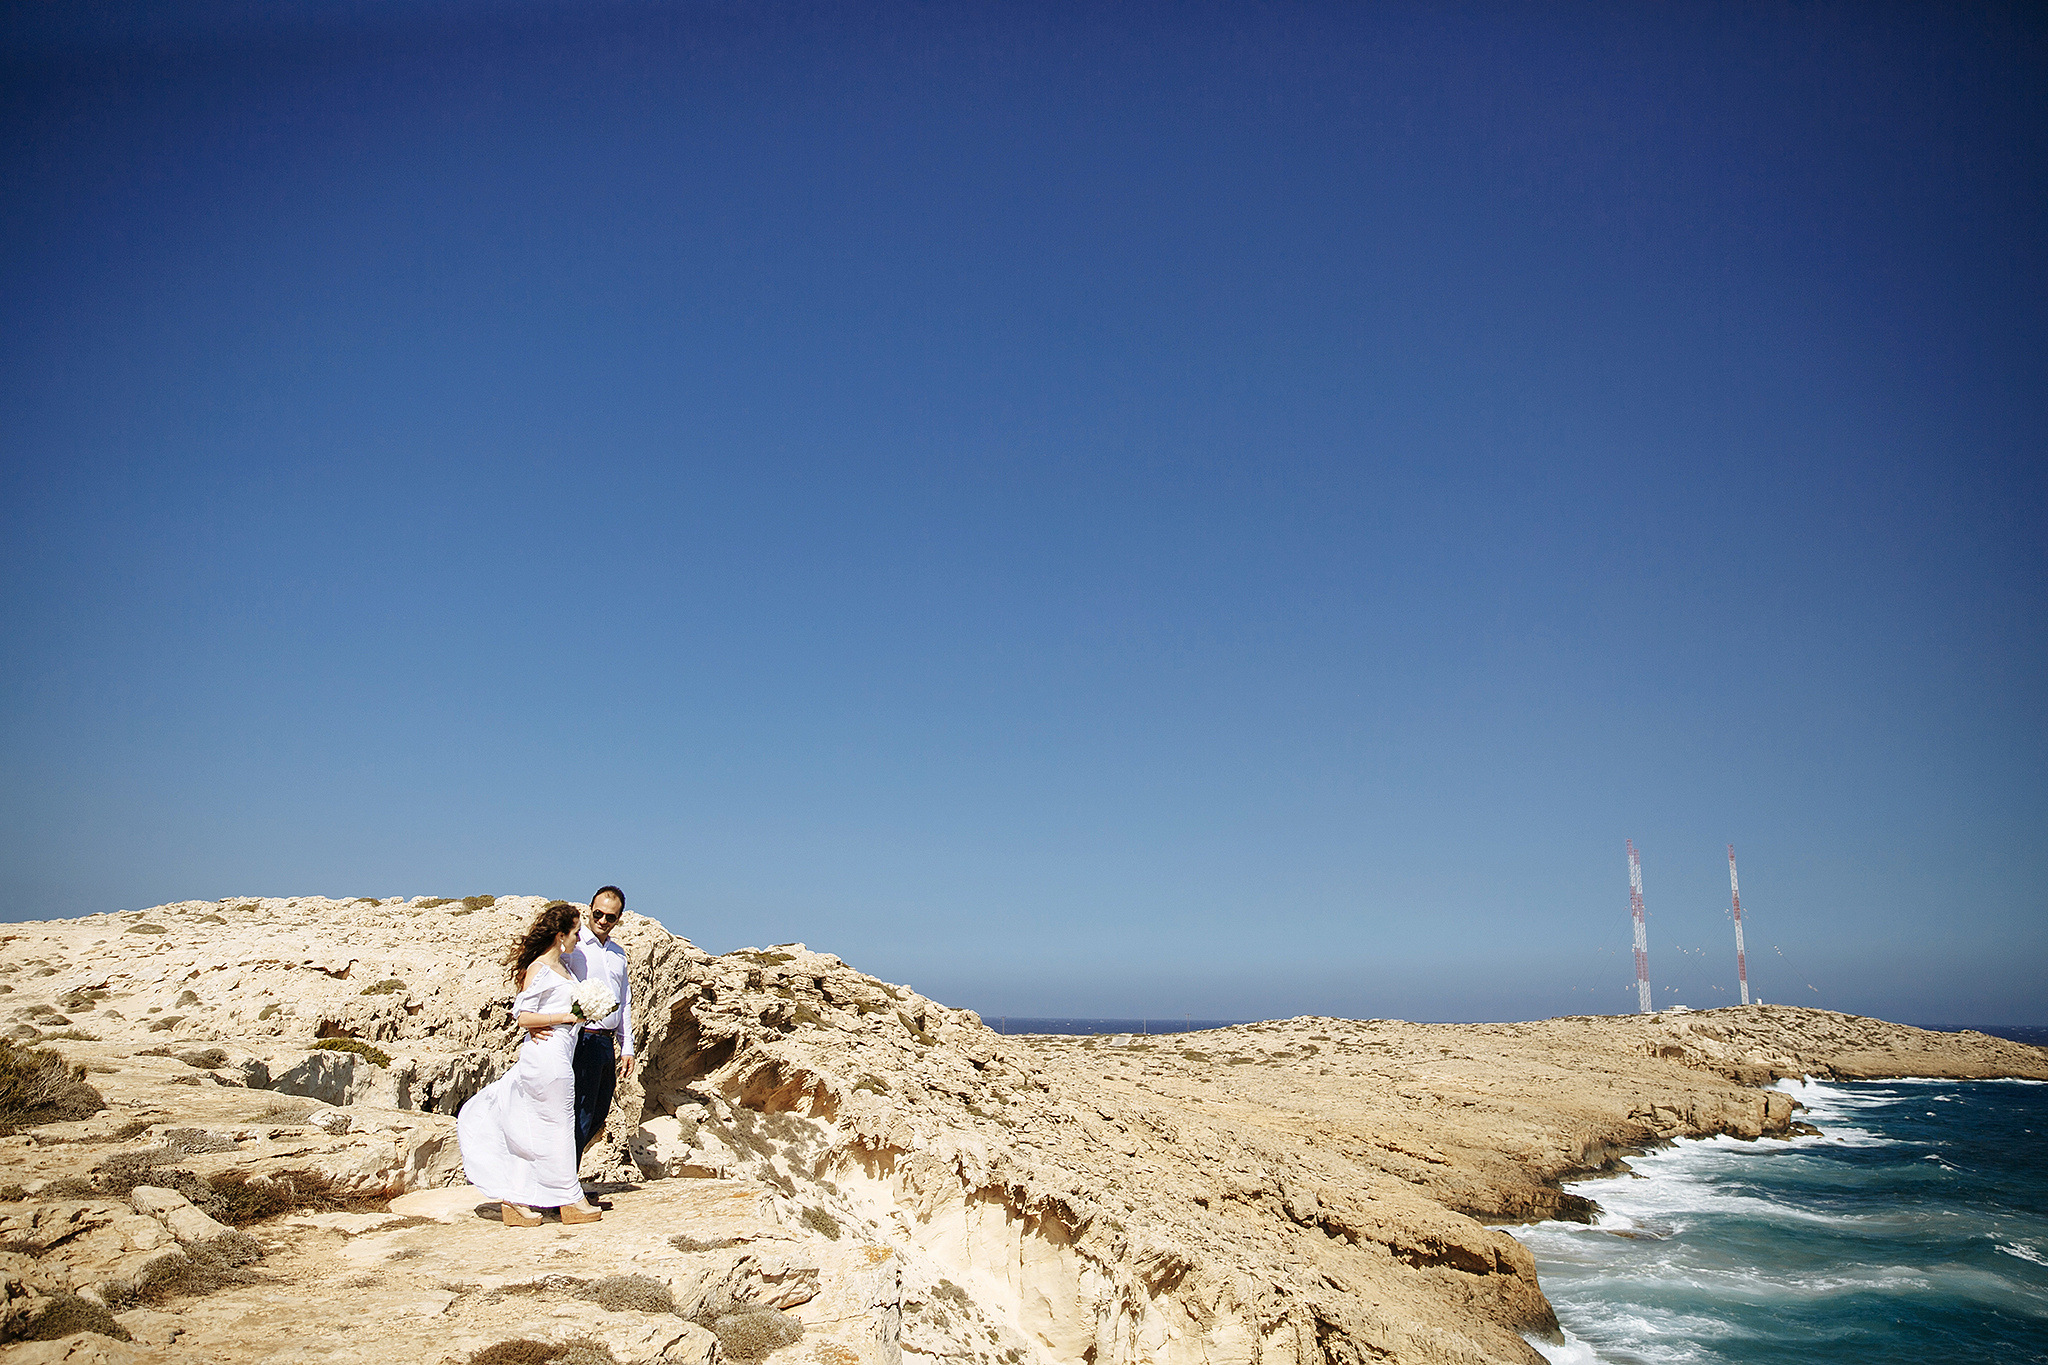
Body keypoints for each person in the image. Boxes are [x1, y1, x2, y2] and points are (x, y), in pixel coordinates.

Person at [455, 902, 604, 1227]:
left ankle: (516, 1200)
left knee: (535, 1126)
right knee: (560, 1123)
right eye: (576, 933)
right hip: (546, 1055)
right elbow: (522, 1016)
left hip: (560, 1050)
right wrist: (564, 1017)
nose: (579, 939)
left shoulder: (563, 967)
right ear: (560, 935)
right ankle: (570, 1200)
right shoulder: (540, 968)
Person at [570, 885, 635, 1169]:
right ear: (589, 909)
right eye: (598, 913)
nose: (603, 921)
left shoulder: (619, 954)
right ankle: (564, 1190)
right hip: (582, 1038)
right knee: (579, 1113)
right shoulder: (574, 947)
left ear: (618, 918)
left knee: (598, 1112)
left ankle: (567, 1184)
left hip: (606, 1042)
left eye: (611, 916)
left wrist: (627, 1046)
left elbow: (625, 1001)